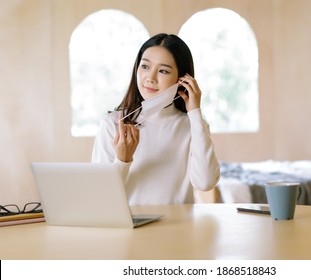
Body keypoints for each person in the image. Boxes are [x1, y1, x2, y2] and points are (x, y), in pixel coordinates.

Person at [92, 33, 220, 205]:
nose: (150, 78)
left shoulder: (192, 125)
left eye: (163, 71)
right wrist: (122, 160)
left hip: (179, 228)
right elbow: (99, 198)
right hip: (132, 228)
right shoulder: (113, 124)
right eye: (145, 67)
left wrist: (195, 113)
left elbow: (205, 183)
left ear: (182, 79)